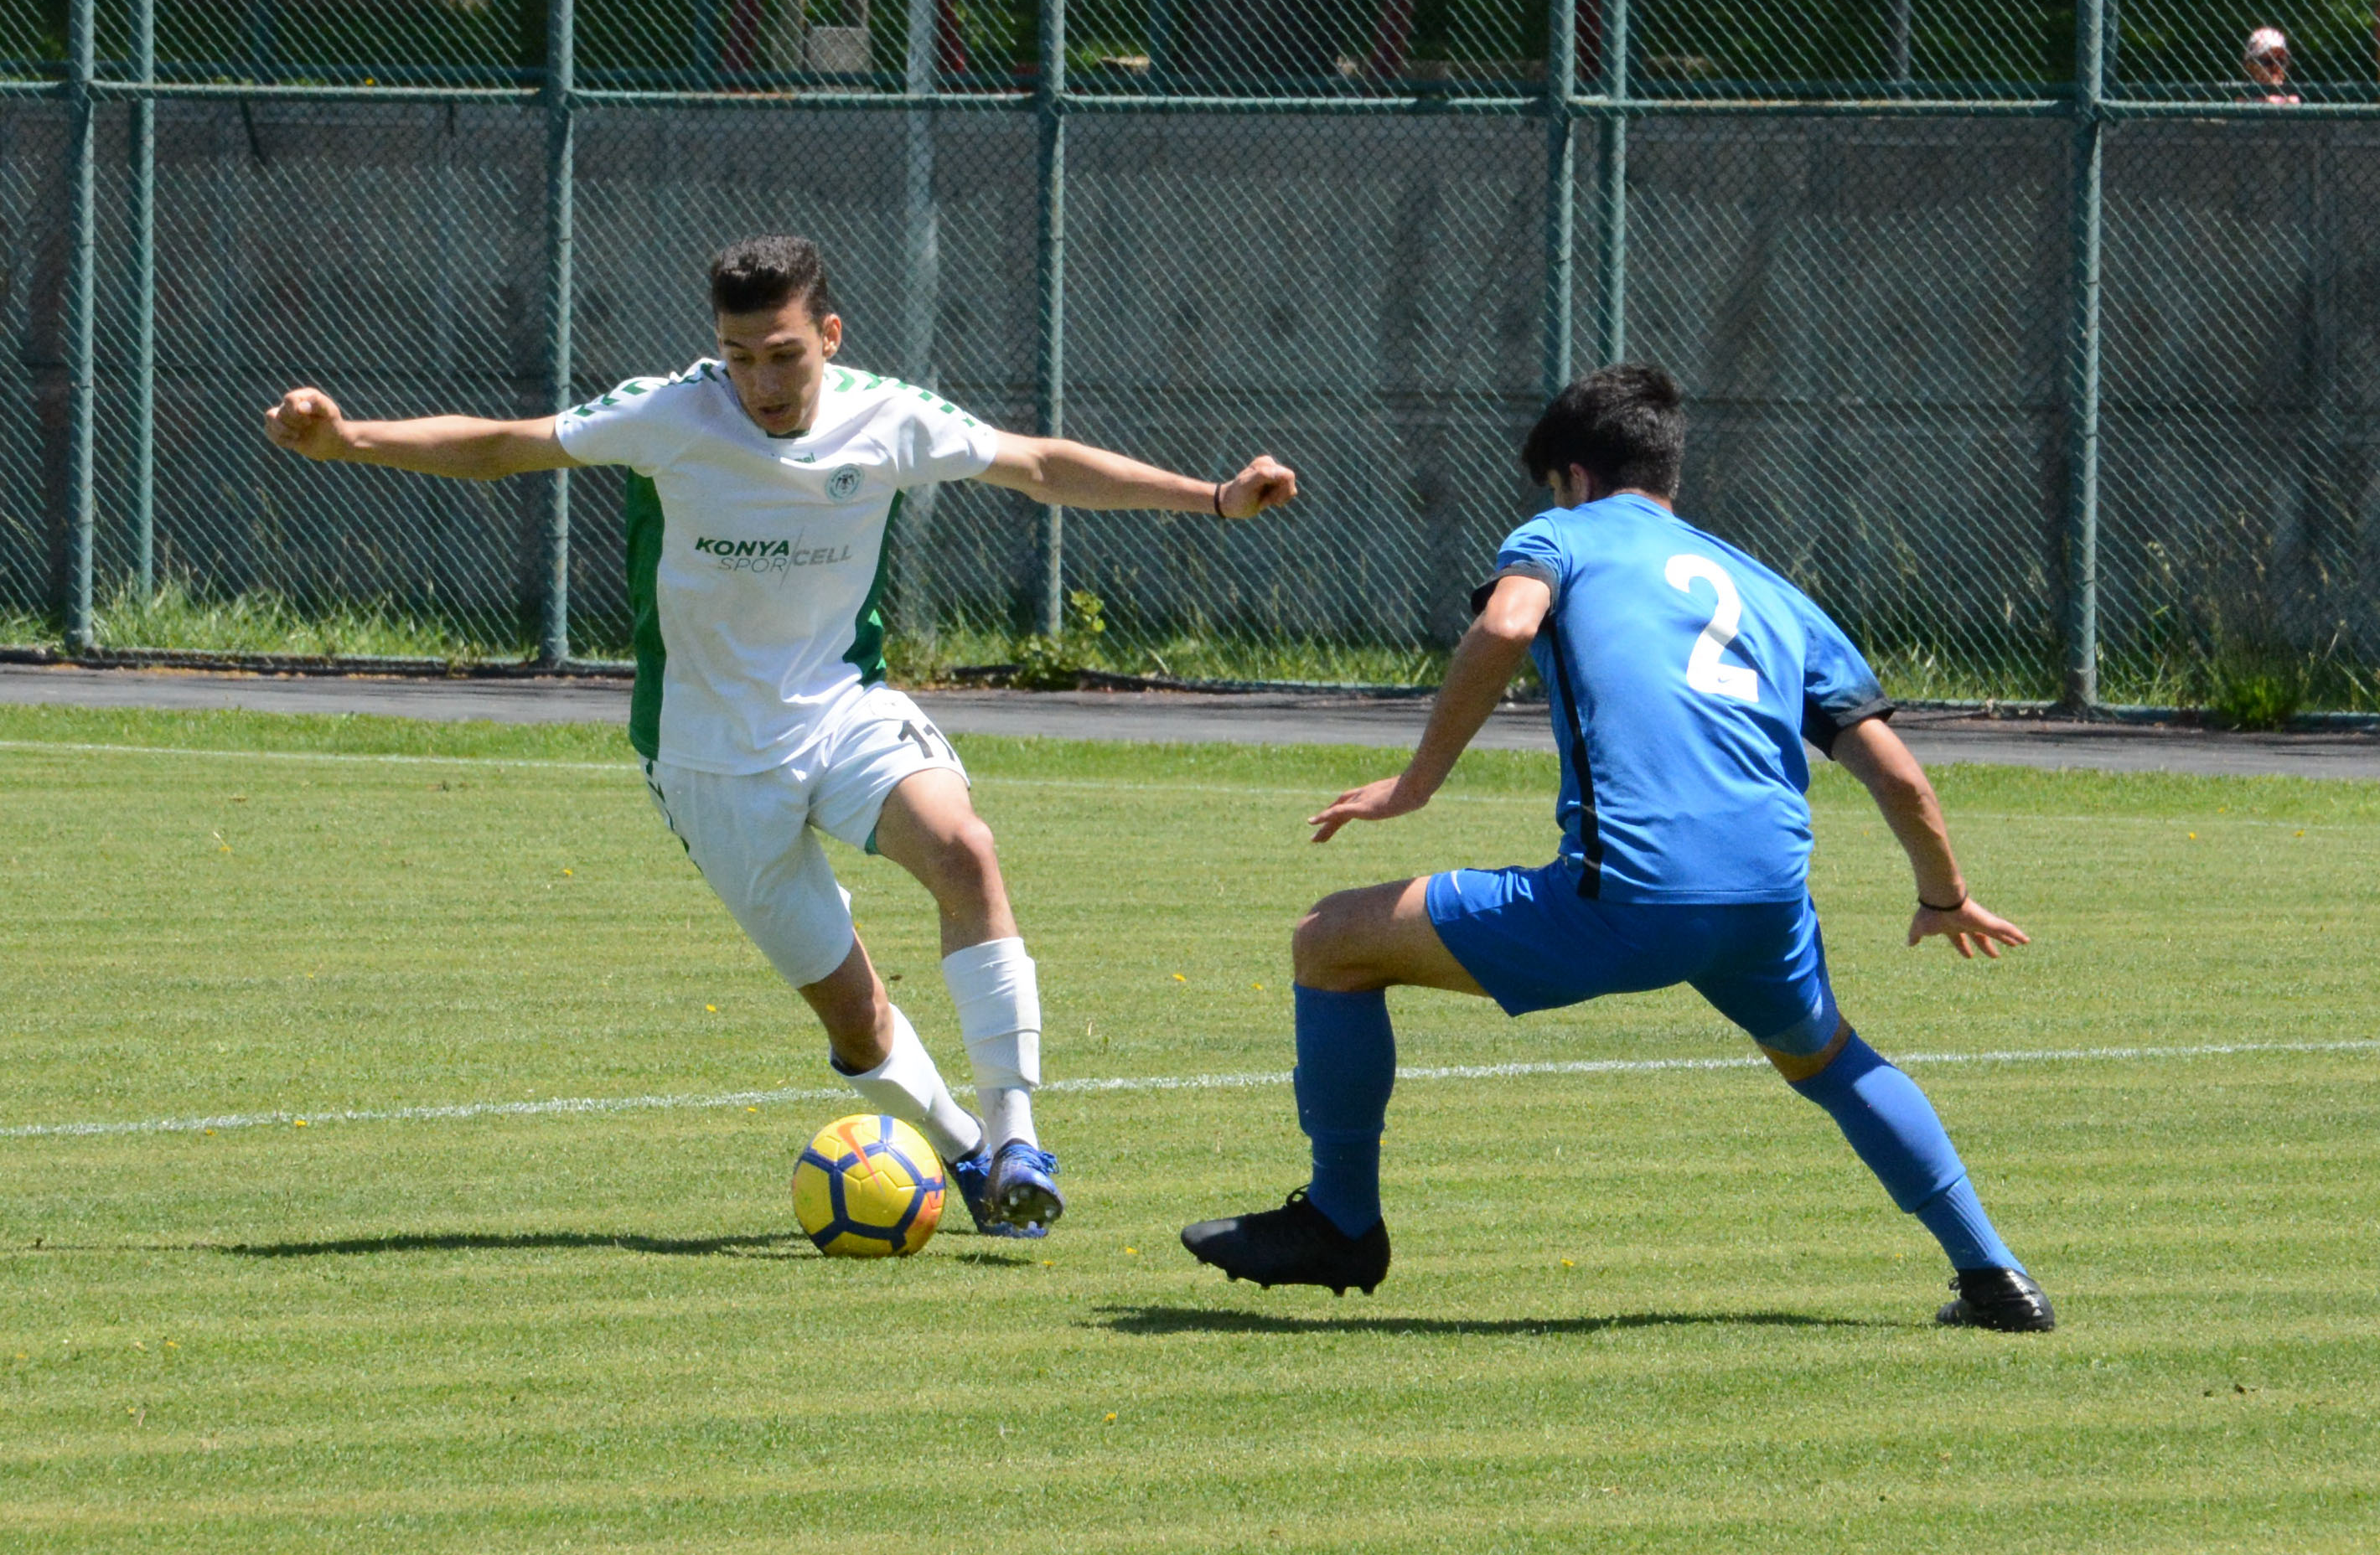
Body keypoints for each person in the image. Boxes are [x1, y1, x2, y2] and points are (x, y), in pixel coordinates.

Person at [264, 233, 1298, 1238]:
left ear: (831, 335)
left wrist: (1211, 498)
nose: (761, 381)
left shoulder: (888, 418)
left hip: (845, 710)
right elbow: (506, 444)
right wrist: (351, 437)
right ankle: (966, 1151)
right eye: (741, 357)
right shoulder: (670, 415)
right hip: (708, 758)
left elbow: (1037, 463)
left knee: (964, 849)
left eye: (785, 354)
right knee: (856, 1023)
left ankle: (1021, 1135)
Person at [1179, 364, 2053, 1331]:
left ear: (1573, 476)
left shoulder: (1559, 536)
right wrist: (1944, 894)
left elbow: (1505, 623)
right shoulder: (1769, 592)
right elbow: (1899, 776)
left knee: (1330, 939)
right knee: (1830, 1059)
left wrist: (1415, 784)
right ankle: (1996, 1277)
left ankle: (1342, 1221)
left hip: (1629, 895)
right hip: (1767, 903)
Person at [2244, 25, 2302, 102]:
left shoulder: (2291, 100)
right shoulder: (2240, 101)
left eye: (2281, 62)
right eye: (2268, 62)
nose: (2276, 67)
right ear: (2250, 66)